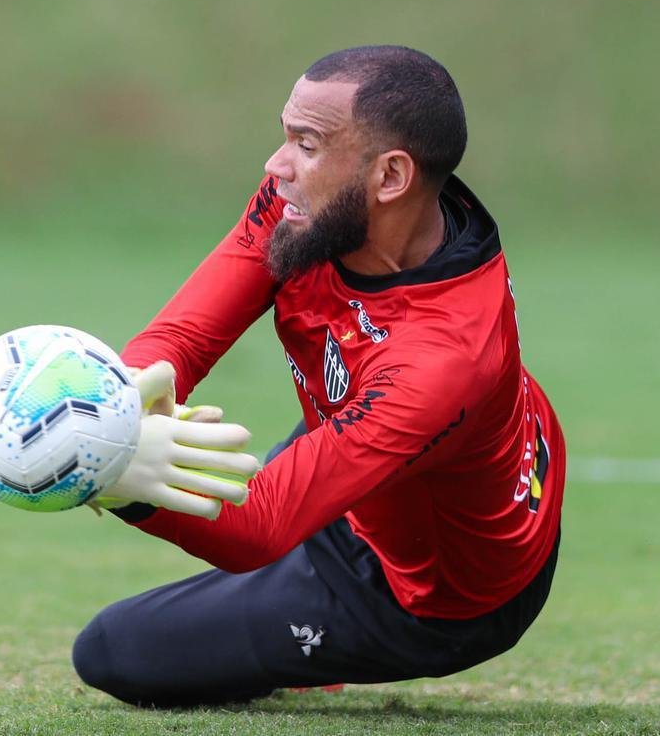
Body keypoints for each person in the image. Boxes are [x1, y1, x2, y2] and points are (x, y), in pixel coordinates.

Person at [71, 45, 565, 707]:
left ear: (391, 176)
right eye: (286, 135)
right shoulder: (316, 207)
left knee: (113, 649)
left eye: (307, 143)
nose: (277, 165)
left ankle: (316, 647)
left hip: (433, 593)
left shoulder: (439, 361)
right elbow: (183, 336)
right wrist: (123, 396)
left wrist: (125, 479)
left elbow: (261, 527)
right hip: (402, 456)